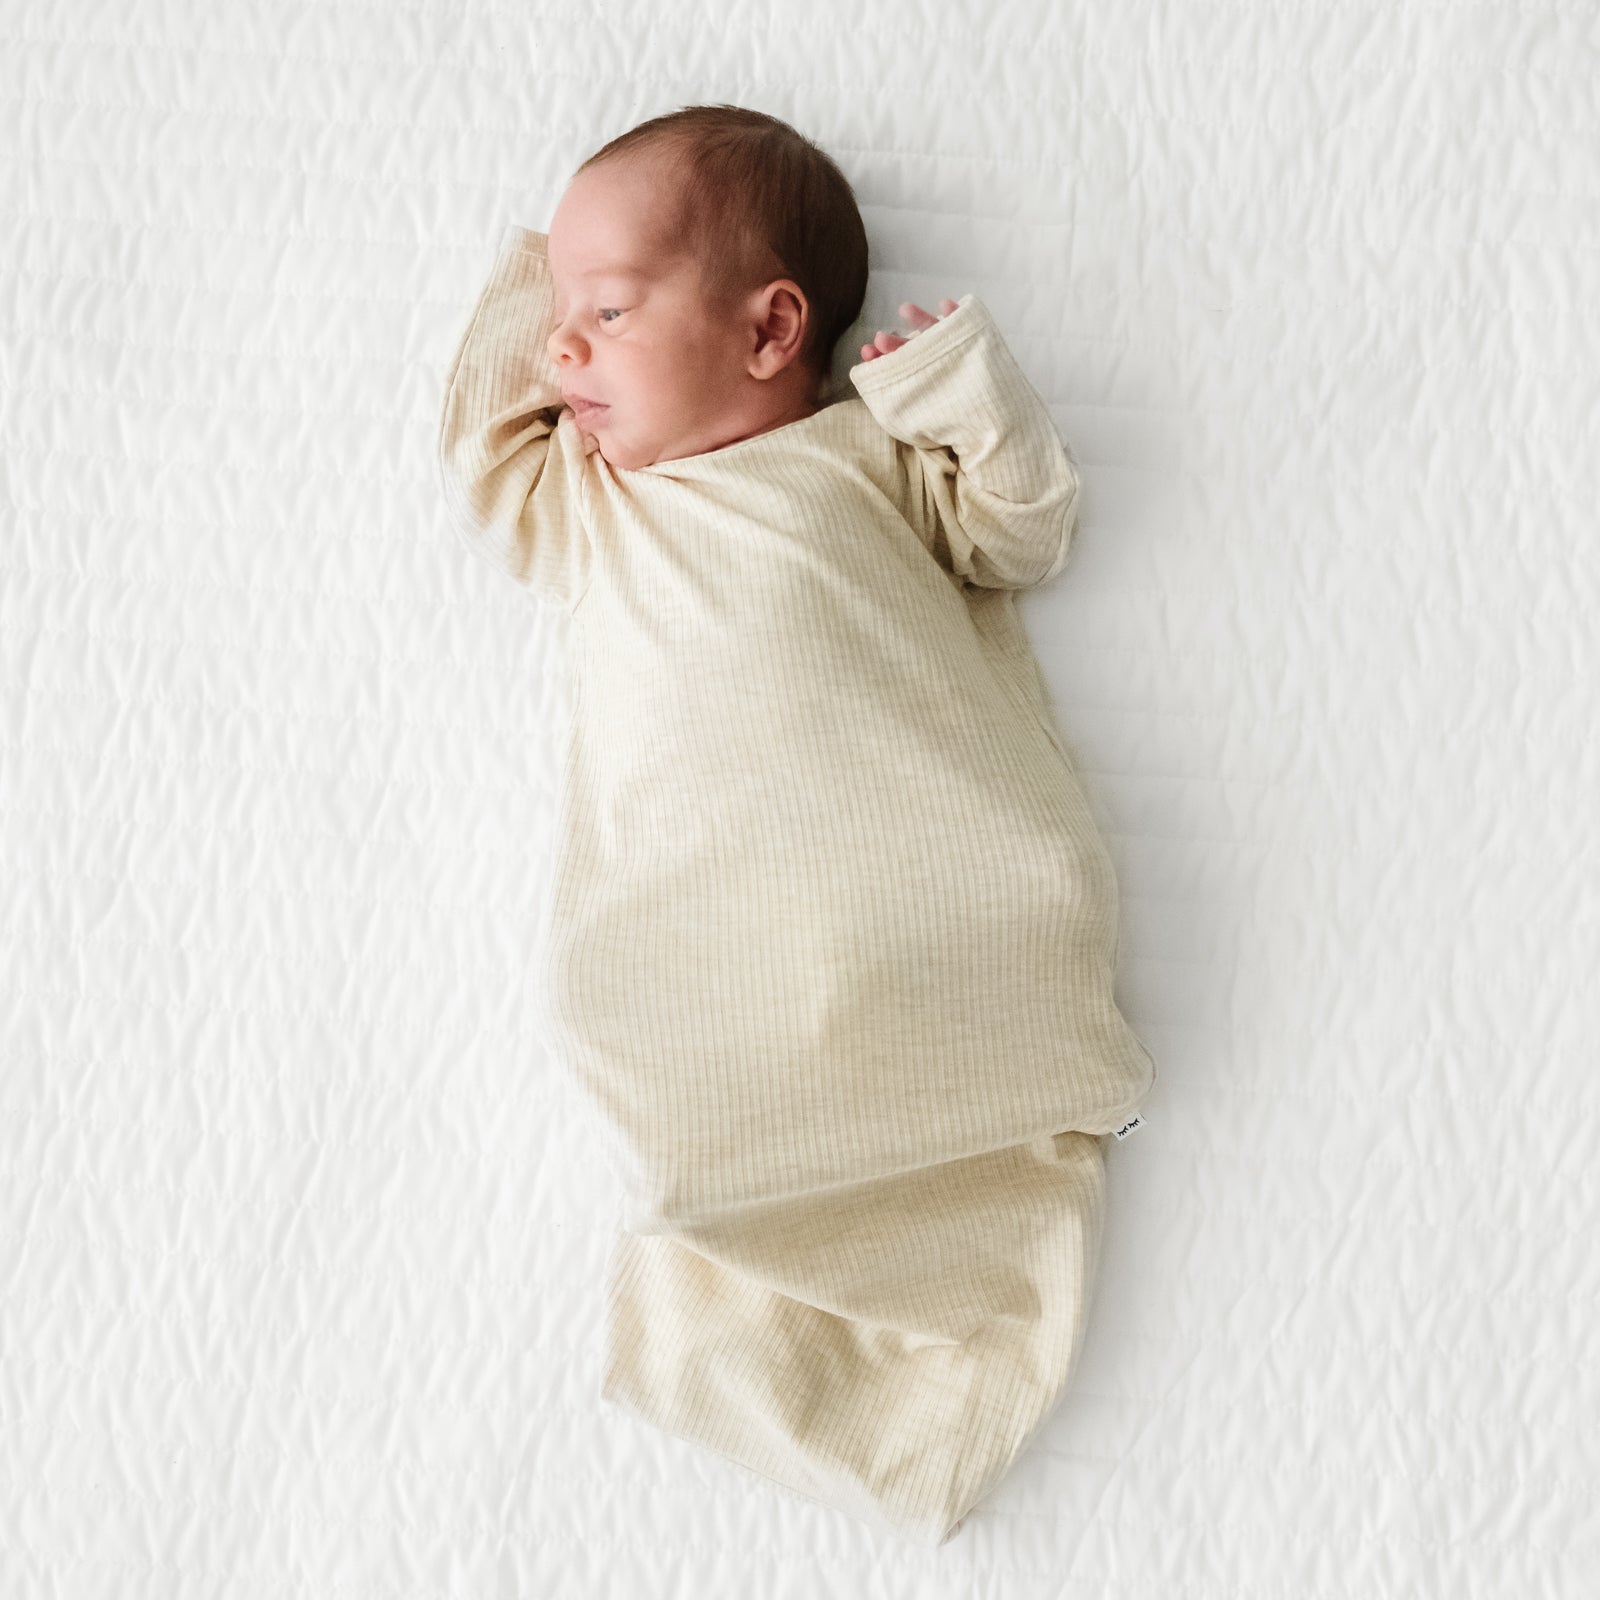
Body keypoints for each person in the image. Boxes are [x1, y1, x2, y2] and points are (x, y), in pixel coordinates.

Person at [436, 103, 1156, 1547]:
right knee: (659, 1045)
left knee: (996, 978)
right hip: (713, 935)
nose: (564, 349)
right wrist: (561, 277)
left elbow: (1022, 529)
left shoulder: (868, 463)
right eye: (564, 316)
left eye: (612, 310)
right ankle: (793, 1283)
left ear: (773, 331)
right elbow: (482, 431)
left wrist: (955, 387)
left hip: (950, 884)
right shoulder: (591, 501)